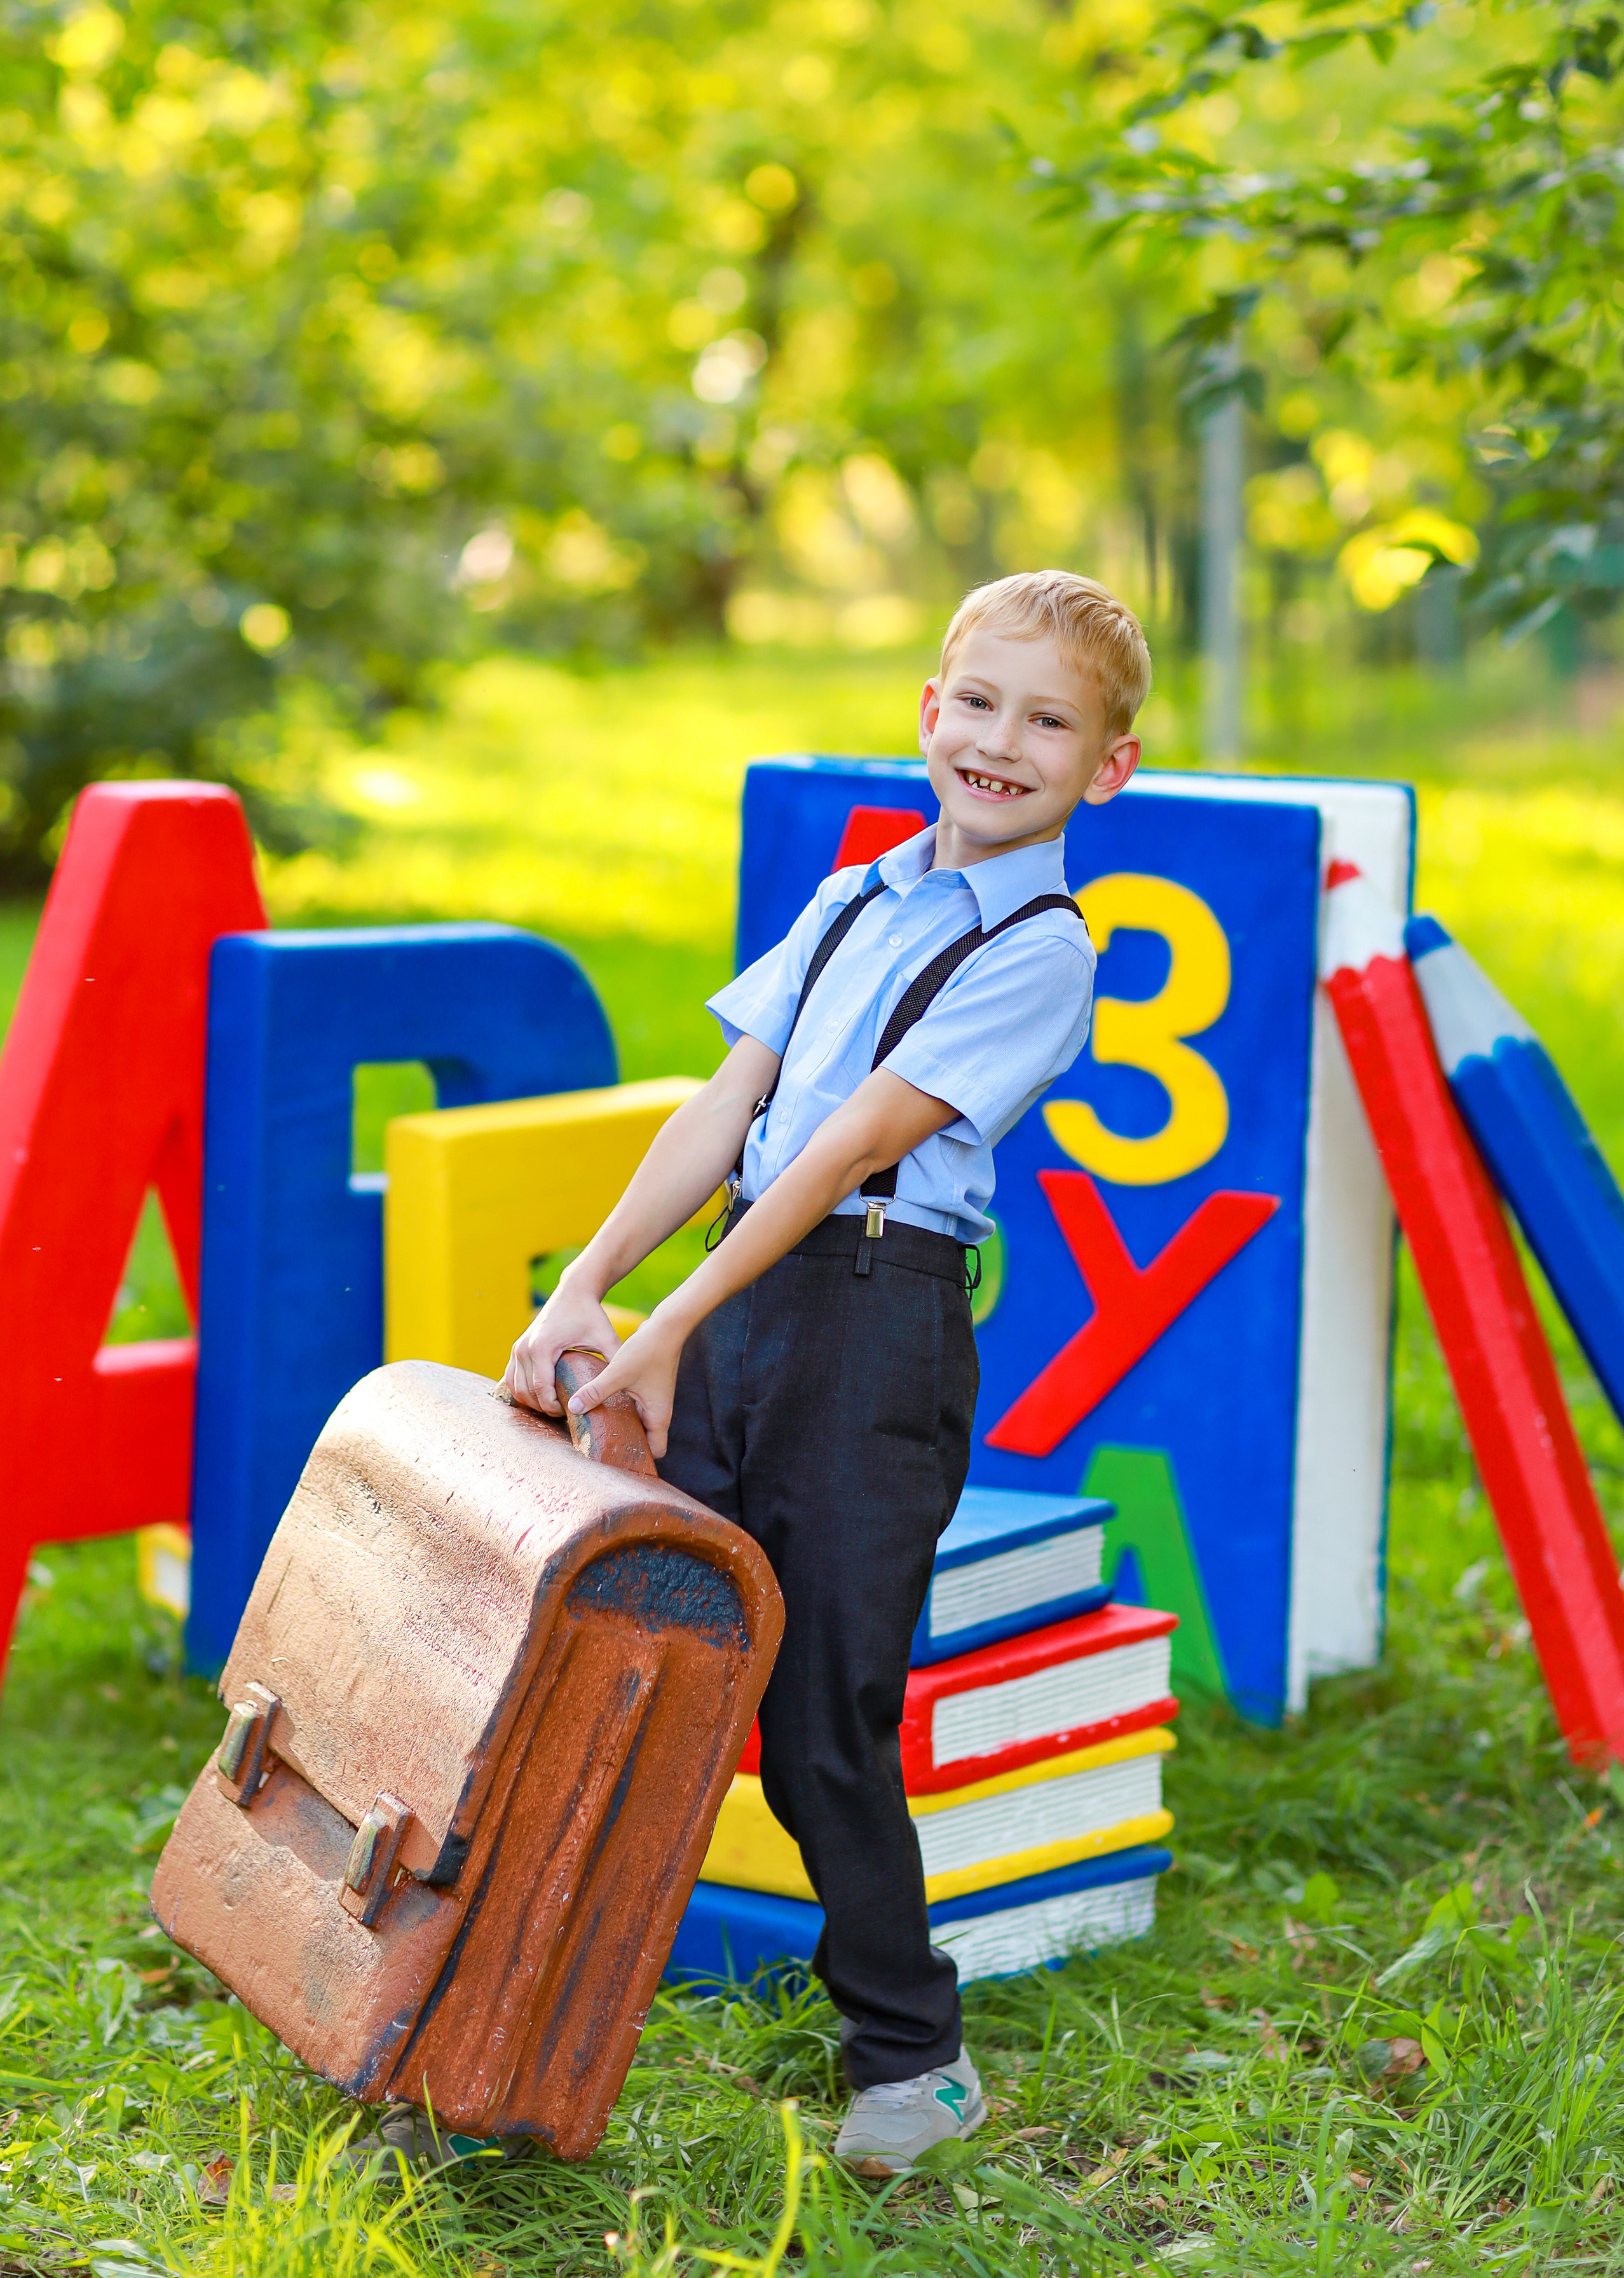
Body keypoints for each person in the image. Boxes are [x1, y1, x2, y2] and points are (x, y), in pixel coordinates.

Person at [508, 568, 1148, 2172]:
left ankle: (911, 2054)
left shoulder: (1041, 949)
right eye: (980, 705)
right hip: (745, 1292)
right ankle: (525, 2007)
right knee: (633, 1634)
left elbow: (851, 1147)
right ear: (928, 712)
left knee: (816, 1720)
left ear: (1105, 766)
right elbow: (728, 1111)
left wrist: (668, 1326)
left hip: (875, 1329)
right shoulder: (858, 894)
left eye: (1048, 723)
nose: (1003, 743)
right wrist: (590, 1285)